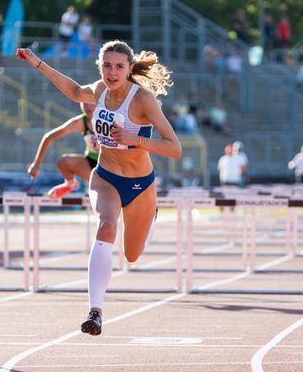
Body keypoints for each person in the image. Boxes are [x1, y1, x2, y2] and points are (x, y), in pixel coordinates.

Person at [16, 40, 181, 336]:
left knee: (132, 255)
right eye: (106, 65)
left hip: (141, 185)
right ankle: (96, 312)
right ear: (100, 67)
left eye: (119, 66)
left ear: (129, 69)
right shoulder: (99, 90)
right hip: (105, 176)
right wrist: (38, 64)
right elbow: (73, 90)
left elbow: (175, 148)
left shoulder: (143, 100)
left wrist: (136, 140)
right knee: (106, 227)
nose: (112, 72)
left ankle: (151, 216)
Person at [27, 102, 99, 198]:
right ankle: (70, 184)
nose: (88, 107)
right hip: (91, 163)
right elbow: (48, 137)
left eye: (91, 103)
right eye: (84, 103)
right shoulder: (80, 122)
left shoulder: (109, 120)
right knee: (63, 162)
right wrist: (36, 165)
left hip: (110, 164)